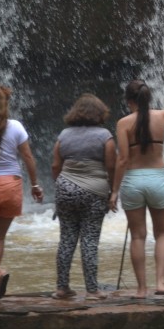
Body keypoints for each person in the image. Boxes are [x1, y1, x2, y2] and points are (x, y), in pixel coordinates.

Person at [110, 79, 164, 298]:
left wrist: (114, 192)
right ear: (148, 98)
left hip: (133, 181)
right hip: (158, 179)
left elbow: (122, 160)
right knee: (163, 233)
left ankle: (141, 289)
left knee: (138, 236)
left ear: (128, 100)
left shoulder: (123, 123)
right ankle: (161, 283)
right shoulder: (162, 116)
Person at [51, 94, 117, 299]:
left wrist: (62, 186)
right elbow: (111, 166)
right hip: (94, 192)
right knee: (89, 240)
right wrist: (113, 190)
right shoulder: (105, 136)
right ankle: (92, 290)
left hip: (65, 189)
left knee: (67, 239)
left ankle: (62, 288)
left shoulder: (63, 135)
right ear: (99, 113)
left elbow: (55, 166)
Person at [0, 84, 44, 299]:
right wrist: (35, 185)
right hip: (12, 186)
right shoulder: (16, 127)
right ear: (6, 105)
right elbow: (28, 157)